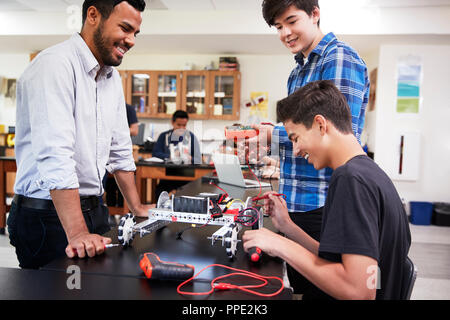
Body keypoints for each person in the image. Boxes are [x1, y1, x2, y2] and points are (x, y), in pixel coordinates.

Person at [8, 0, 151, 269]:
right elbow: (55, 155)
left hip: (94, 209)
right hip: (47, 216)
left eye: (135, 33)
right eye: (125, 28)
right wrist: (76, 233)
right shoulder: (54, 65)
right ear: (93, 16)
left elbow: (120, 148)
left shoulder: (111, 77)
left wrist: (137, 207)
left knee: (92, 291)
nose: (131, 40)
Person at [242, 0, 370, 297]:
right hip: (299, 202)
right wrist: (267, 143)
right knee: (303, 287)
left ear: (315, 14)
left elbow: (333, 134)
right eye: (278, 27)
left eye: (291, 21)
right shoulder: (297, 72)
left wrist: (271, 136)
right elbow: (300, 134)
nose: (285, 32)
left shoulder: (338, 58)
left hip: (325, 202)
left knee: (325, 290)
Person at [243, 80, 411, 300]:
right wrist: (288, 227)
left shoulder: (351, 180)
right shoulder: (369, 173)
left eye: (295, 138)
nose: (295, 151)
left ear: (321, 125)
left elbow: (359, 291)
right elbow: (343, 260)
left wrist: (279, 244)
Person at [152, 110, 202, 200]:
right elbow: (155, 154)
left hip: (187, 177)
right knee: (160, 192)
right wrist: (170, 157)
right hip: (167, 176)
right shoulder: (164, 136)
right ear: (172, 122)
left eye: (184, 125)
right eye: (178, 125)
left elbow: (198, 159)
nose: (181, 128)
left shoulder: (192, 138)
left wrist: (190, 158)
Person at [104, 103, 139, 208]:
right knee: (108, 186)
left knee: (121, 185)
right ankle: (111, 214)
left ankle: (120, 212)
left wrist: (115, 132)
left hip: (119, 152)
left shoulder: (128, 108)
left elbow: (135, 130)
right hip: (102, 153)